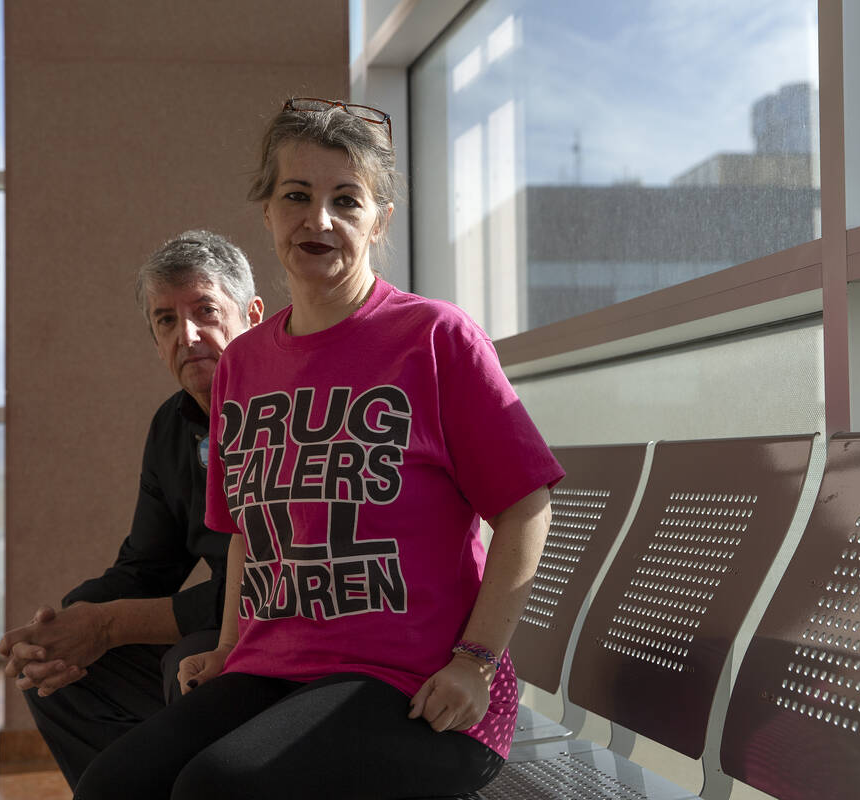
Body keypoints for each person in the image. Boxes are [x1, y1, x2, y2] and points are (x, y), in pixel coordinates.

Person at [73, 98, 564, 800]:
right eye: (297, 196)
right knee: (113, 786)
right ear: (268, 211)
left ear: (379, 220)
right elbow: (247, 531)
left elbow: (526, 506)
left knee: (218, 789)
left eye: (347, 200)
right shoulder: (244, 364)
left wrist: (475, 663)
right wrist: (228, 646)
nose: (320, 220)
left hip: (423, 688)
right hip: (274, 669)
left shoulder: (435, 339)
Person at [0, 230, 264, 789]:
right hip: (217, 619)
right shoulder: (171, 426)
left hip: (282, 629)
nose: (188, 335)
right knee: (58, 677)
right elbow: (147, 565)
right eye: (166, 320)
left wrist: (109, 623)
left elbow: (272, 581)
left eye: (206, 311)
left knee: (187, 664)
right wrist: (67, 622)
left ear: (254, 316)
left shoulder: (290, 412)